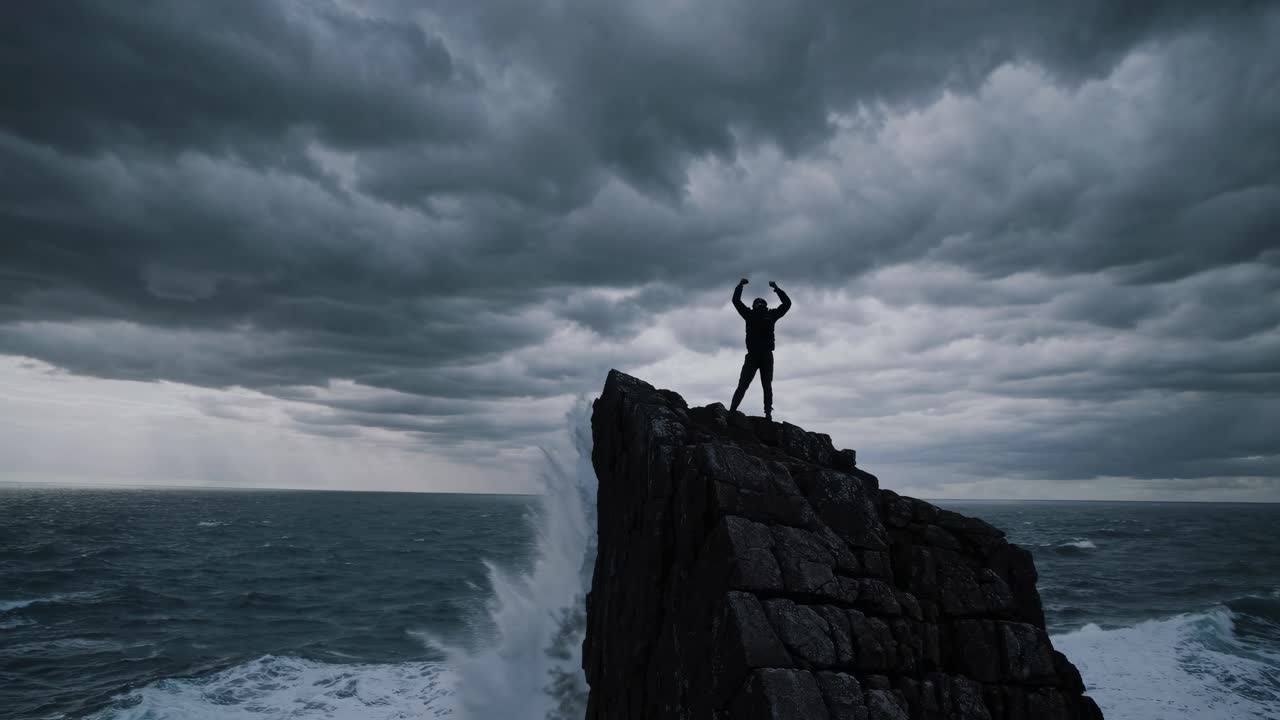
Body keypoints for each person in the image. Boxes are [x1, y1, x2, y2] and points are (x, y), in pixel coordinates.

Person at [729, 278, 790, 420]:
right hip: (765, 355)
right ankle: (767, 413)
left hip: (754, 356)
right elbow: (787, 304)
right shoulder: (770, 315)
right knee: (766, 386)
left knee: (744, 384)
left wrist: (740, 286)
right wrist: (776, 288)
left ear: (754, 305)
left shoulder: (750, 314)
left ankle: (732, 410)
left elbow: (736, 301)